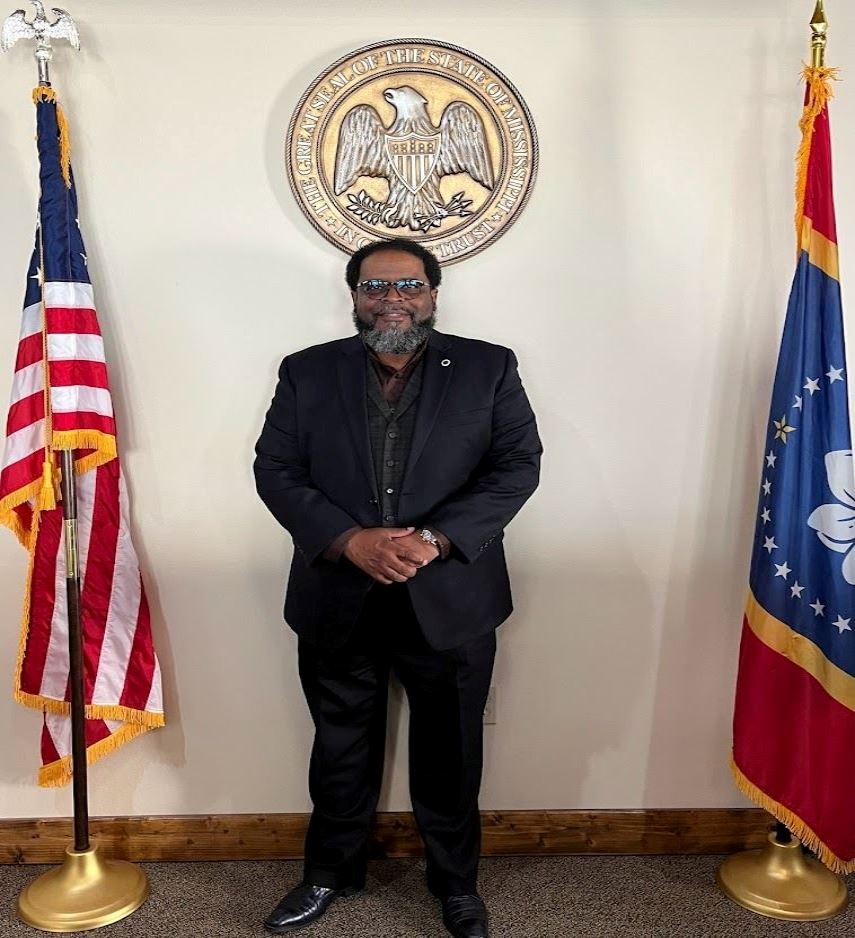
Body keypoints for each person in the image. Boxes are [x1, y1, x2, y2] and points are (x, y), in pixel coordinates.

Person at [254, 237, 542, 937]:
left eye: (409, 286)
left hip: (450, 597)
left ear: (433, 295)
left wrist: (432, 539)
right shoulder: (306, 371)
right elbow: (275, 468)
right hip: (336, 594)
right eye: (376, 287)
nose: (393, 299)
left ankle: (456, 886)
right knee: (339, 747)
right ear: (354, 296)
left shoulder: (488, 367)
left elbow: (516, 465)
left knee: (451, 751)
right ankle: (328, 873)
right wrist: (349, 539)